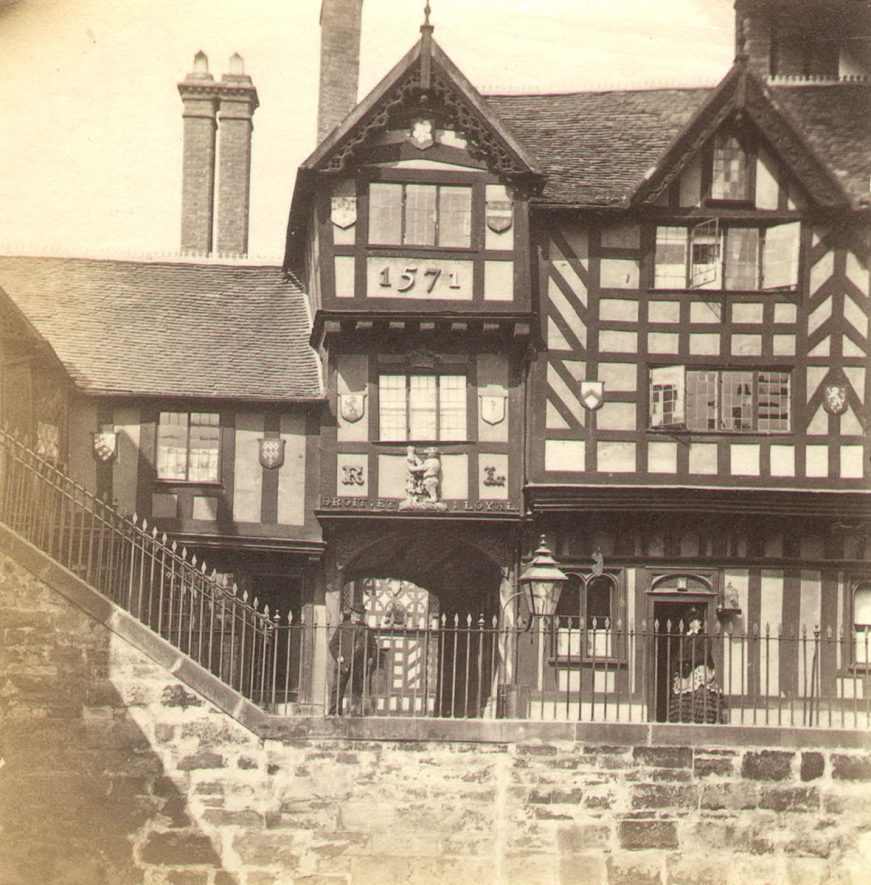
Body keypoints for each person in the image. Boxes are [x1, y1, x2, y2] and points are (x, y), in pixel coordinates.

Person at [668, 606, 729, 723]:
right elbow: (681, 652)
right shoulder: (686, 637)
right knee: (684, 691)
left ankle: (701, 719)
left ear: (700, 622)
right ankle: (685, 718)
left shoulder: (704, 637)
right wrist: (681, 663)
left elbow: (704, 654)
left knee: (700, 691)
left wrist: (690, 662)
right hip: (686, 669)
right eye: (690, 621)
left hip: (699, 668)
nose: (691, 623)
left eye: (694, 620)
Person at [328, 602, 379, 715]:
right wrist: (338, 657)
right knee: (338, 688)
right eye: (355, 613)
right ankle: (334, 712)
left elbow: (374, 646)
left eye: (360, 614)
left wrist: (371, 658)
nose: (357, 616)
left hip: (359, 664)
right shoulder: (343, 627)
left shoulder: (366, 629)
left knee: (357, 689)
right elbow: (332, 645)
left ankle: (353, 712)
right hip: (344, 662)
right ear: (351, 613)